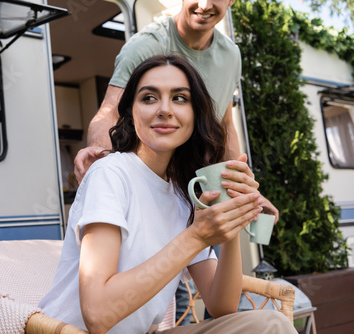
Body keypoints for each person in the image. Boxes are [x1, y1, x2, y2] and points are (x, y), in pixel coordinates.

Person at [39, 55, 296, 333]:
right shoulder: (110, 175)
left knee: (268, 323)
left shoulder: (183, 195)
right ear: (130, 113)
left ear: (195, 113)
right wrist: (196, 235)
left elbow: (222, 307)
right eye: (149, 98)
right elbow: (97, 315)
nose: (164, 109)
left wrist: (228, 221)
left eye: (180, 98)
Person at [74, 0, 279, 221]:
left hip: (201, 194)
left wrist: (246, 194)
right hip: (150, 194)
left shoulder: (230, 55)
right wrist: (99, 155)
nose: (204, 4)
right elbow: (110, 111)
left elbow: (225, 125)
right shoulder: (145, 45)